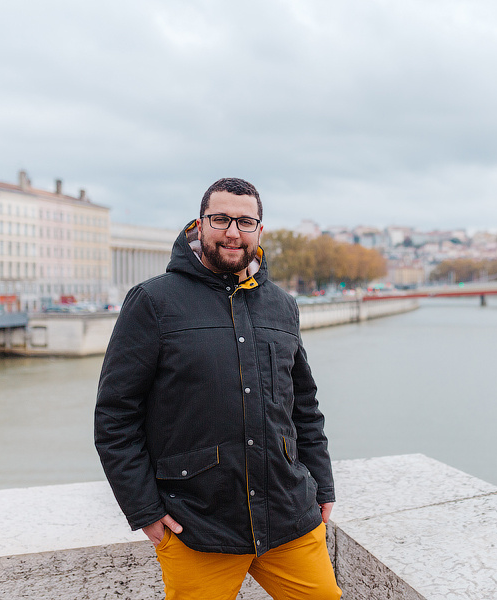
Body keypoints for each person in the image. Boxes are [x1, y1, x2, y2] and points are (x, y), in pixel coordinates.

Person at [94, 177, 341, 600]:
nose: (232, 232)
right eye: (221, 219)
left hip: (289, 514)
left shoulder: (282, 305)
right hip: (197, 522)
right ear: (200, 224)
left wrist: (323, 483)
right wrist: (145, 511)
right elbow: (115, 416)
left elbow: (303, 405)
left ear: (259, 231)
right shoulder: (153, 301)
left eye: (245, 222)